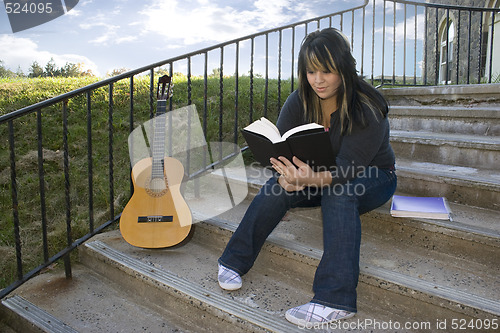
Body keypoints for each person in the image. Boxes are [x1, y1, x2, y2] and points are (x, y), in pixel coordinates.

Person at [217, 27, 397, 326]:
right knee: (277, 187)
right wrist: (285, 175)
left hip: (372, 176)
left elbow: (348, 171)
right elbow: (282, 148)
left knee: (340, 192)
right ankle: (233, 260)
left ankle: (336, 299)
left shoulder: (367, 106)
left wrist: (307, 180)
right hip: (315, 173)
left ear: (344, 67)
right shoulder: (299, 99)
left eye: (327, 71)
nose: (318, 80)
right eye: (311, 71)